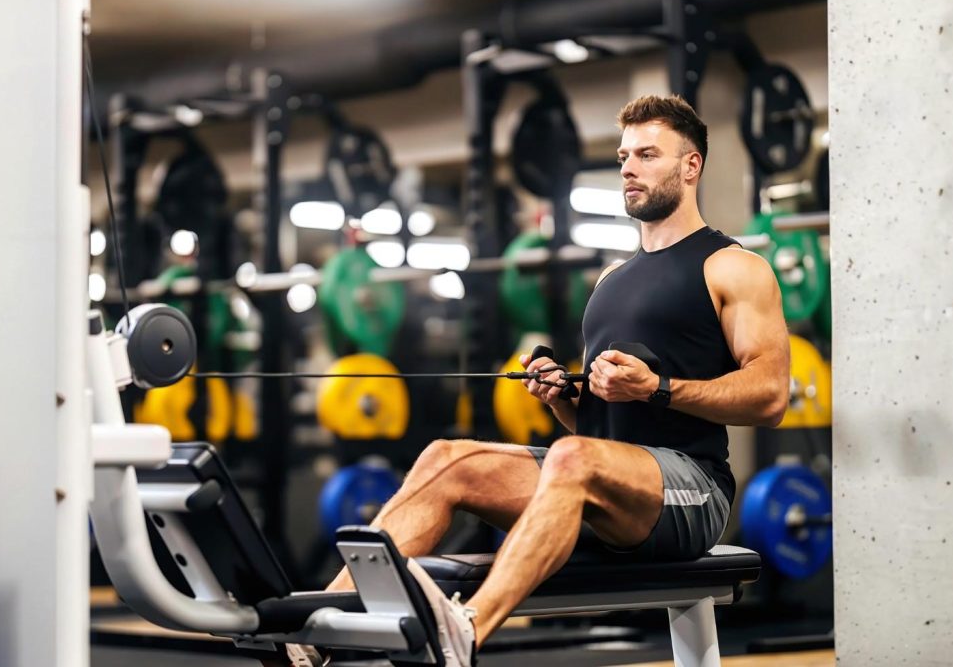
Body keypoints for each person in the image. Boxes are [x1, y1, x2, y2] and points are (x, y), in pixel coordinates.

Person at [321, 95, 791, 667]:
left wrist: (657, 388)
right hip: (605, 480)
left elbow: (770, 397)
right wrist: (563, 398)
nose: (628, 168)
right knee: (447, 458)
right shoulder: (612, 279)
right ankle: (323, 626)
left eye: (647, 154)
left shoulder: (732, 265)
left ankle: (465, 630)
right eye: (623, 156)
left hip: (691, 490)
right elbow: (595, 424)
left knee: (572, 459)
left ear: (690, 166)